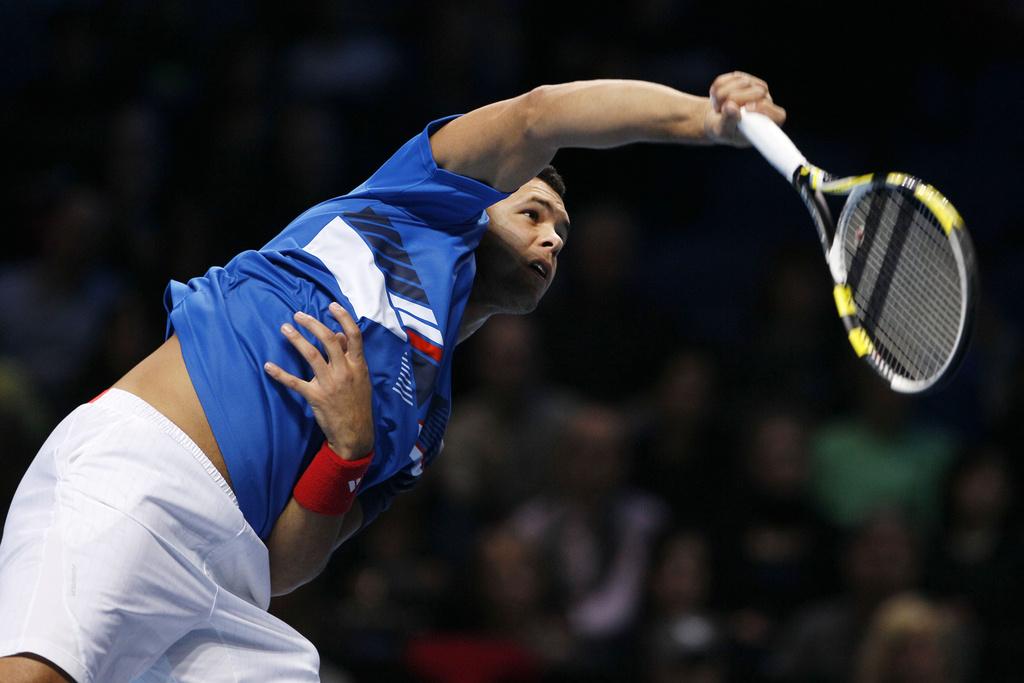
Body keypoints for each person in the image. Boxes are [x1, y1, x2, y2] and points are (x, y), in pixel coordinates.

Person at [0, 72, 786, 682]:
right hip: (144, 474)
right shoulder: (410, 203)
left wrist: (347, 448)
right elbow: (541, 112)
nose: (552, 240)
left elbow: (286, 566)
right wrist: (703, 121)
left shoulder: (422, 421)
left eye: (564, 234)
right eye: (537, 211)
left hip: (232, 579)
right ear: (480, 199)